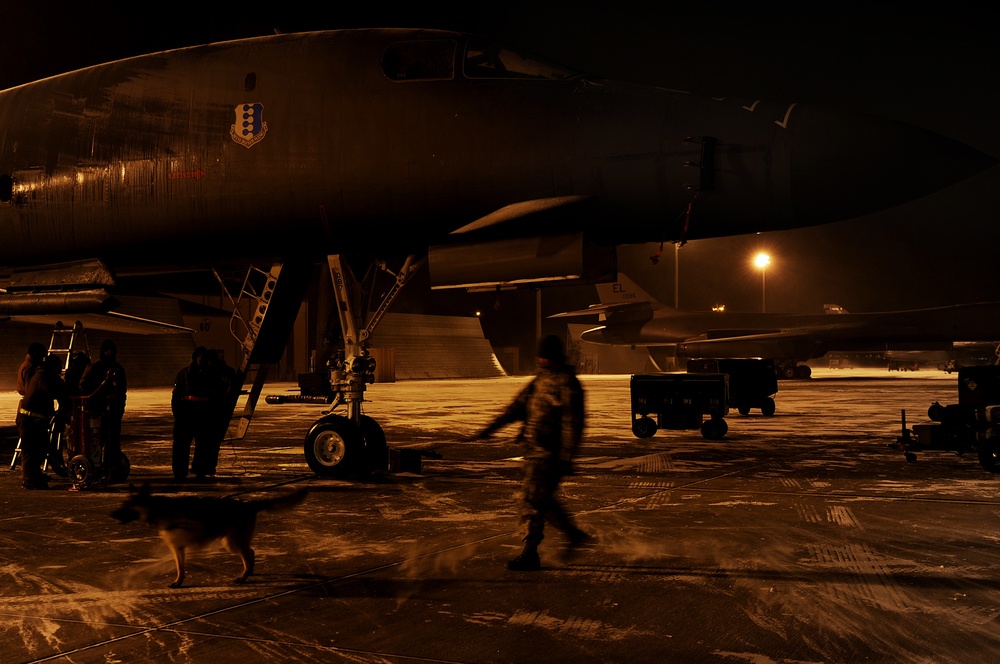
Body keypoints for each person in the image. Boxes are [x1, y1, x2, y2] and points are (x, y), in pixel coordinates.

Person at [474, 335, 591, 570]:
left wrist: (567, 457)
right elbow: (518, 406)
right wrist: (492, 428)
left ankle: (530, 552)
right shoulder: (541, 379)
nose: (538, 360)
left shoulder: (567, 383)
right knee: (543, 500)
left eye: (542, 356)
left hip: (550, 454)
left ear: (550, 356)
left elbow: (573, 423)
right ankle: (573, 534)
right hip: (534, 450)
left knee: (532, 500)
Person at [18, 354, 68, 489]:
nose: (61, 369)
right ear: (53, 367)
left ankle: (35, 475)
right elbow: (55, 392)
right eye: (59, 366)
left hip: (36, 418)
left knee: (40, 448)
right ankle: (29, 480)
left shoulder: (43, 376)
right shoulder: (43, 378)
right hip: (30, 418)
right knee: (31, 450)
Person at [171, 347, 222, 481]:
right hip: (186, 414)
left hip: (204, 414)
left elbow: (217, 395)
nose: (200, 358)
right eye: (198, 356)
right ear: (195, 357)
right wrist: (178, 413)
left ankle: (200, 469)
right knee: (181, 445)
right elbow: (176, 396)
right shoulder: (184, 374)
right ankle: (180, 471)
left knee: (203, 445)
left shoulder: (212, 375)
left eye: (202, 356)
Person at [79, 339, 127, 470]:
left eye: (111, 351)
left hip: (114, 412)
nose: (109, 353)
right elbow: (83, 386)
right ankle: (96, 466)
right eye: (107, 351)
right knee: (97, 440)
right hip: (98, 412)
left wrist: (119, 408)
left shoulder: (118, 369)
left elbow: (122, 391)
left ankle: (111, 466)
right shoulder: (94, 367)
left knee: (113, 441)